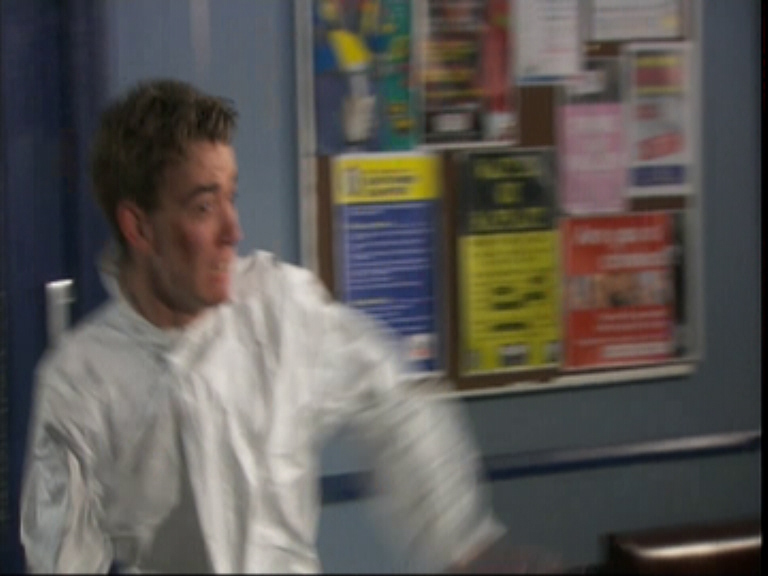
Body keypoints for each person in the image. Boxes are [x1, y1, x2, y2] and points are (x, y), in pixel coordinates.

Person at [19, 79, 513, 573]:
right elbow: (61, 554)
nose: (234, 231)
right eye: (204, 207)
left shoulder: (280, 313)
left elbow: (393, 400)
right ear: (139, 227)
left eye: (231, 197)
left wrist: (461, 543)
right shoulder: (80, 382)